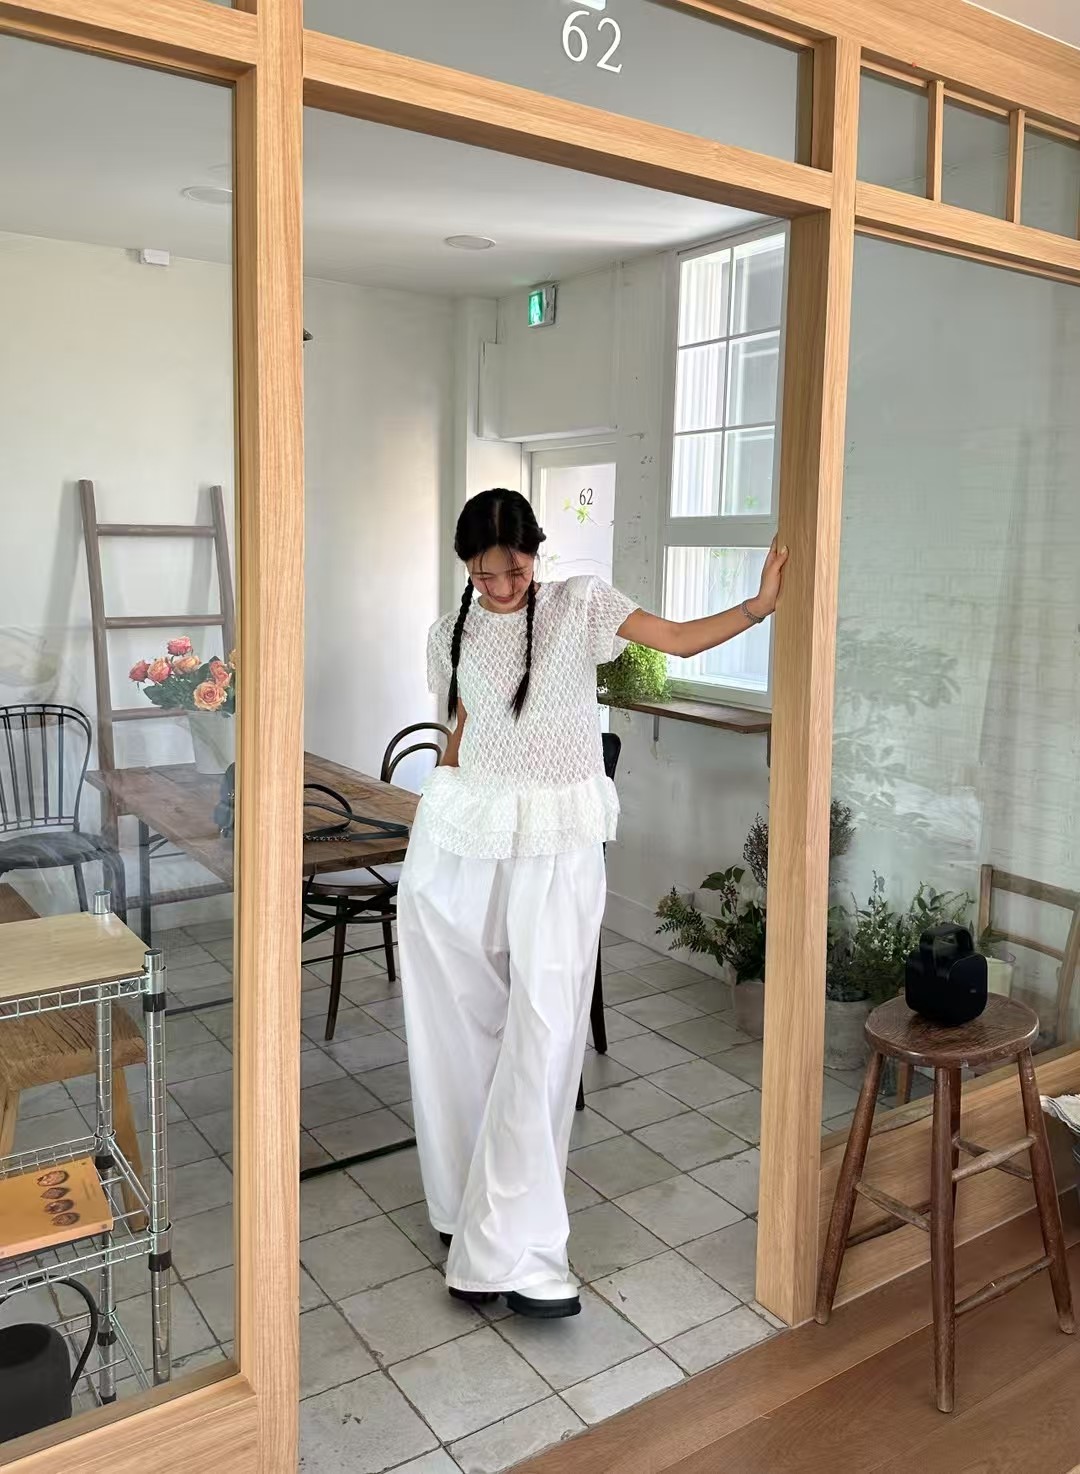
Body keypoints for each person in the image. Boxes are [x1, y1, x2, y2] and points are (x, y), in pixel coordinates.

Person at [397, 488, 787, 1319]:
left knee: (545, 1034)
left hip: (557, 845)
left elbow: (676, 638)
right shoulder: (449, 631)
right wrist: (434, 805)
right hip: (464, 841)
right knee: (455, 1027)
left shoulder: (581, 605)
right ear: (464, 565)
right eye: (485, 573)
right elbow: (464, 728)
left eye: (517, 569)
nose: (504, 586)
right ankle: (462, 1203)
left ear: (537, 554)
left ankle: (517, 1247)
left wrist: (757, 607)